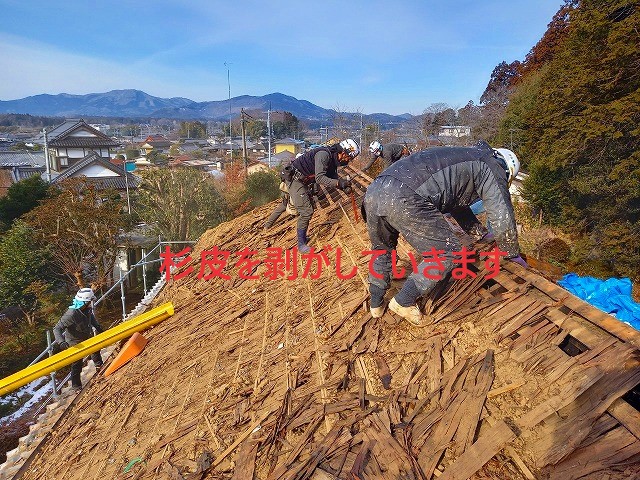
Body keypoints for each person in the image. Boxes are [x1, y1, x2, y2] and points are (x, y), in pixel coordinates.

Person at [363, 140, 527, 326]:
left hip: (376, 188)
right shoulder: (492, 165)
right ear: (507, 171)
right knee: (447, 253)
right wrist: (511, 252)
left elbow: (457, 204)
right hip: (404, 195)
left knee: (381, 248)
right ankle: (403, 301)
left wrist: (478, 233)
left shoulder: (465, 157)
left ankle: (376, 304)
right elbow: (501, 211)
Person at [280, 139, 360, 252]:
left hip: (303, 180)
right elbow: (320, 178)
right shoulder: (324, 155)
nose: (348, 160)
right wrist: (339, 183)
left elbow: (333, 176)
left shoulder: (332, 159)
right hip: (295, 179)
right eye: (349, 157)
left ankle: (302, 238)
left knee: (308, 208)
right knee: (306, 211)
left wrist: (342, 186)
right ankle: (301, 244)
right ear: (343, 152)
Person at [53, 288, 105, 390]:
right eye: (90, 301)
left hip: (86, 334)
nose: (91, 303)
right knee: (77, 364)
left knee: (95, 349)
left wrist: (98, 327)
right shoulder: (71, 314)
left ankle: (99, 366)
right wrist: (61, 342)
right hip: (74, 342)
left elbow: (91, 318)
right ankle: (76, 386)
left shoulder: (87, 309)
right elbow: (57, 328)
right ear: (84, 302)